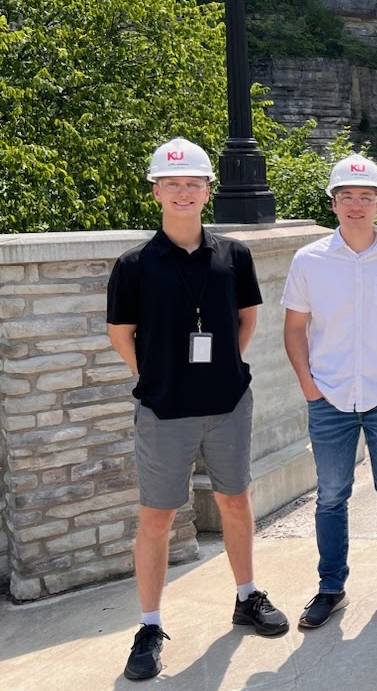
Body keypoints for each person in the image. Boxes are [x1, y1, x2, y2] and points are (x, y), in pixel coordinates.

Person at [107, 138, 288, 681]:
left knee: (235, 501)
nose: (183, 193)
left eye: (193, 184)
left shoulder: (234, 255)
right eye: (173, 184)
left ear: (208, 191)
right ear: (156, 191)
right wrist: (156, 377)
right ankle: (149, 624)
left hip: (228, 403)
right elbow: (121, 333)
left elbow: (246, 320)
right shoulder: (135, 264)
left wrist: (223, 366)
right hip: (164, 410)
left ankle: (246, 595)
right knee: (157, 518)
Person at [282, 154, 377, 629]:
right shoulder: (309, 260)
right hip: (328, 396)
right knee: (330, 495)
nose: (356, 204)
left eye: (366, 196)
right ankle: (331, 587)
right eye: (346, 196)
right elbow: (294, 328)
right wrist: (308, 385)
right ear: (333, 204)